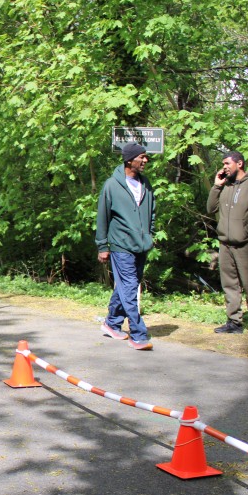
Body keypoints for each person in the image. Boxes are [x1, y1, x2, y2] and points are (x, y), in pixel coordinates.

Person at [95, 142, 156, 351]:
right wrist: (102, 246)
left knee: (127, 285)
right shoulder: (112, 185)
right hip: (121, 245)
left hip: (141, 245)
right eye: (142, 157)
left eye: (146, 157)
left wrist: (149, 235)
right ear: (130, 160)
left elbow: (152, 212)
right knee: (130, 287)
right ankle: (138, 334)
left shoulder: (145, 184)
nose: (145, 160)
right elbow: (103, 217)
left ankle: (112, 323)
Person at [208, 150, 248, 338]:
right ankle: (234, 322)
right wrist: (216, 186)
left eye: (227, 163)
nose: (224, 167)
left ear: (240, 163)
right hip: (225, 244)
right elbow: (211, 208)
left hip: (247, 244)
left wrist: (245, 232)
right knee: (230, 285)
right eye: (223, 164)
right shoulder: (225, 185)